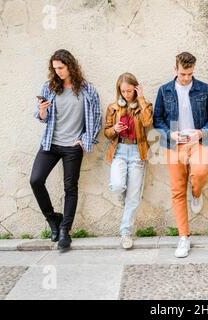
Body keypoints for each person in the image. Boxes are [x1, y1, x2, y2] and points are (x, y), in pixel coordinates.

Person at [30, 49, 101, 251]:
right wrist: (43, 110)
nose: (58, 72)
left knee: (70, 188)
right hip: (51, 144)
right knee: (35, 180)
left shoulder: (87, 89)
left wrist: (85, 139)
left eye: (61, 68)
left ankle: (64, 231)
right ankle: (52, 218)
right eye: (55, 69)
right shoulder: (49, 87)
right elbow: (41, 117)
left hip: (72, 146)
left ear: (70, 66)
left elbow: (96, 118)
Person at [153, 52, 208, 258]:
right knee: (177, 190)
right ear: (175, 69)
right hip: (175, 144)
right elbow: (158, 119)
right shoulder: (165, 91)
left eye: (190, 74)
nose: (186, 78)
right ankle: (184, 237)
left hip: (198, 141)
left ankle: (197, 193)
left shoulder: (203, 88)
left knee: (199, 174)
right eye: (183, 74)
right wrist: (169, 133)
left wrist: (202, 131)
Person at [104, 73, 153, 249]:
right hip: (119, 151)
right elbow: (107, 132)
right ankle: (125, 199)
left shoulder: (143, 105)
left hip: (137, 152)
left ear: (135, 88)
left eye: (130, 91)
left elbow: (148, 122)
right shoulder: (113, 108)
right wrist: (115, 129)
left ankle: (125, 233)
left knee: (133, 197)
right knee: (117, 186)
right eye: (123, 91)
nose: (126, 94)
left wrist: (141, 98)